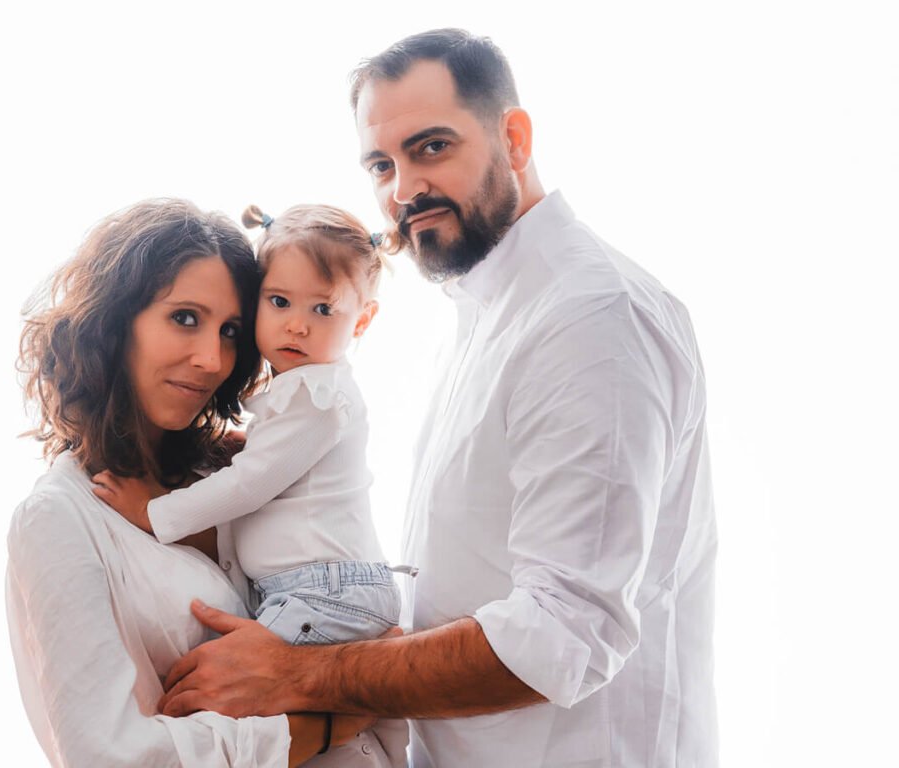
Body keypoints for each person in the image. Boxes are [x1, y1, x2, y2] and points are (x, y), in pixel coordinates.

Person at [155, 29, 719, 768]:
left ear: (514, 139)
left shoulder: (590, 319)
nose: (402, 190)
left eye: (431, 148)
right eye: (381, 165)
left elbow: (561, 637)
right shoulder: (492, 310)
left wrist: (301, 673)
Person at [6, 198, 396, 767]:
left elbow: (364, 625)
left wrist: (350, 677)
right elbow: (109, 758)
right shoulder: (58, 519)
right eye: (185, 318)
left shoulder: (233, 471)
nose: (213, 359)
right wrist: (333, 717)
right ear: (115, 323)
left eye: (231, 330)